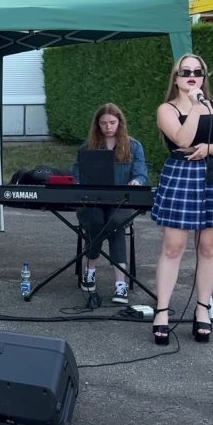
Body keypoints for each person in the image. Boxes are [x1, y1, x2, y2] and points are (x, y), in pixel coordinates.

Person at [150, 54, 213, 345]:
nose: (192, 76)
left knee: (209, 246)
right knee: (174, 246)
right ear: (175, 78)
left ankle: (203, 310)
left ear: (204, 76)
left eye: (197, 71)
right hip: (181, 174)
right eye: (185, 71)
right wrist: (198, 107)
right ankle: (162, 312)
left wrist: (210, 147)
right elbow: (183, 140)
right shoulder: (167, 108)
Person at [71, 103, 148, 305]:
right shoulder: (87, 147)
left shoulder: (134, 146)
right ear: (97, 125)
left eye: (112, 122)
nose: (108, 127)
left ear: (120, 123)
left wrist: (136, 182)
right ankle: (91, 271)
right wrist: (79, 183)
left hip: (121, 202)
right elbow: (76, 177)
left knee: (115, 222)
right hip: (92, 201)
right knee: (96, 219)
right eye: (103, 123)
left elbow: (141, 174)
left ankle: (119, 283)